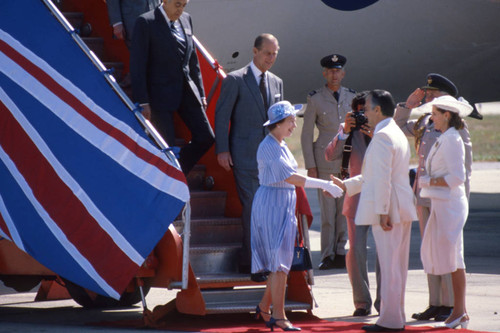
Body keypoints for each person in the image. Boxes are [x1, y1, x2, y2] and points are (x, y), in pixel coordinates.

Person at [252, 101, 343, 332]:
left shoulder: (279, 144)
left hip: (281, 202)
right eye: (291, 120)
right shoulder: (270, 146)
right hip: (273, 203)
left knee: (279, 262)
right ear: (279, 123)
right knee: (280, 264)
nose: (294, 124)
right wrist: (325, 184)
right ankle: (279, 316)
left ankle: (264, 307)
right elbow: (293, 178)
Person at [333, 90, 417, 332]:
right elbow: (375, 175)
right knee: (396, 266)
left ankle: (390, 322)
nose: (365, 114)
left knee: (390, 266)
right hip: (400, 207)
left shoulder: (381, 137)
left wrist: (382, 212)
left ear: (378, 110)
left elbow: (381, 180)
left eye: (368, 109)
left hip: (389, 209)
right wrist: (347, 185)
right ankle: (395, 316)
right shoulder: (394, 132)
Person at [394, 73, 472, 322]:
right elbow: (398, 128)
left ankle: (451, 303)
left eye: (431, 94)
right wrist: (407, 106)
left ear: (443, 99)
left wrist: (460, 198)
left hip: (445, 197)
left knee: (448, 252)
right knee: (431, 251)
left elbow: (463, 169)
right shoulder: (426, 122)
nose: (426, 97)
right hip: (425, 195)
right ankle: (436, 302)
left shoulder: (455, 129)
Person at [214, 33, 283, 276]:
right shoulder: (235, 80)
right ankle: (254, 262)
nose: (271, 58)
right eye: (267, 53)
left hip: (271, 159)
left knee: (268, 210)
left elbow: (278, 121)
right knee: (254, 207)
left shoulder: (276, 82)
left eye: (275, 53)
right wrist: (222, 150)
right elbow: (222, 117)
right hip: (244, 156)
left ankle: (261, 259)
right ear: (254, 51)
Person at [130, 0, 214, 175]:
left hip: (186, 91)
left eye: (184, 5)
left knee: (206, 137)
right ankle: (169, 178)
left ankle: (177, 171)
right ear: (165, 1)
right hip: (158, 95)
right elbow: (138, 64)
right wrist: (143, 101)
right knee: (165, 147)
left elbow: (193, 60)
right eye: (177, 4)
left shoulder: (186, 19)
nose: (180, 9)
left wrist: (201, 94)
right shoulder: (146, 22)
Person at [417, 96, 472, 329]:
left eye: (436, 114)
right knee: (450, 258)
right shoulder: (445, 137)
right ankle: (461, 312)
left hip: (450, 205)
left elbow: (457, 177)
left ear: (447, 115)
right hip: (442, 204)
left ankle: (459, 312)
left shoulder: (451, 139)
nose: (432, 118)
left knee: (455, 258)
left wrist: (428, 181)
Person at [325, 92, 380, 317]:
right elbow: (329, 155)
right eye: (359, 112)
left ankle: (384, 302)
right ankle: (362, 302)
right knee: (355, 251)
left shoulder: (383, 131)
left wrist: (375, 135)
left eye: (365, 111)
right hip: (356, 198)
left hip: (379, 198)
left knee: (384, 253)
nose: (362, 116)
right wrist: (344, 132)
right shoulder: (347, 130)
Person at [301, 54, 355, 270]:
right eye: (330, 71)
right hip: (324, 160)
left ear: (343, 73)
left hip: (347, 160)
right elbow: (306, 135)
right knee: (327, 213)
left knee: (344, 210)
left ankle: (341, 251)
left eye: (338, 71)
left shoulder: (352, 97)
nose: (334, 74)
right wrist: (310, 166)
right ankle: (327, 254)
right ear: (324, 73)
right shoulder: (315, 99)